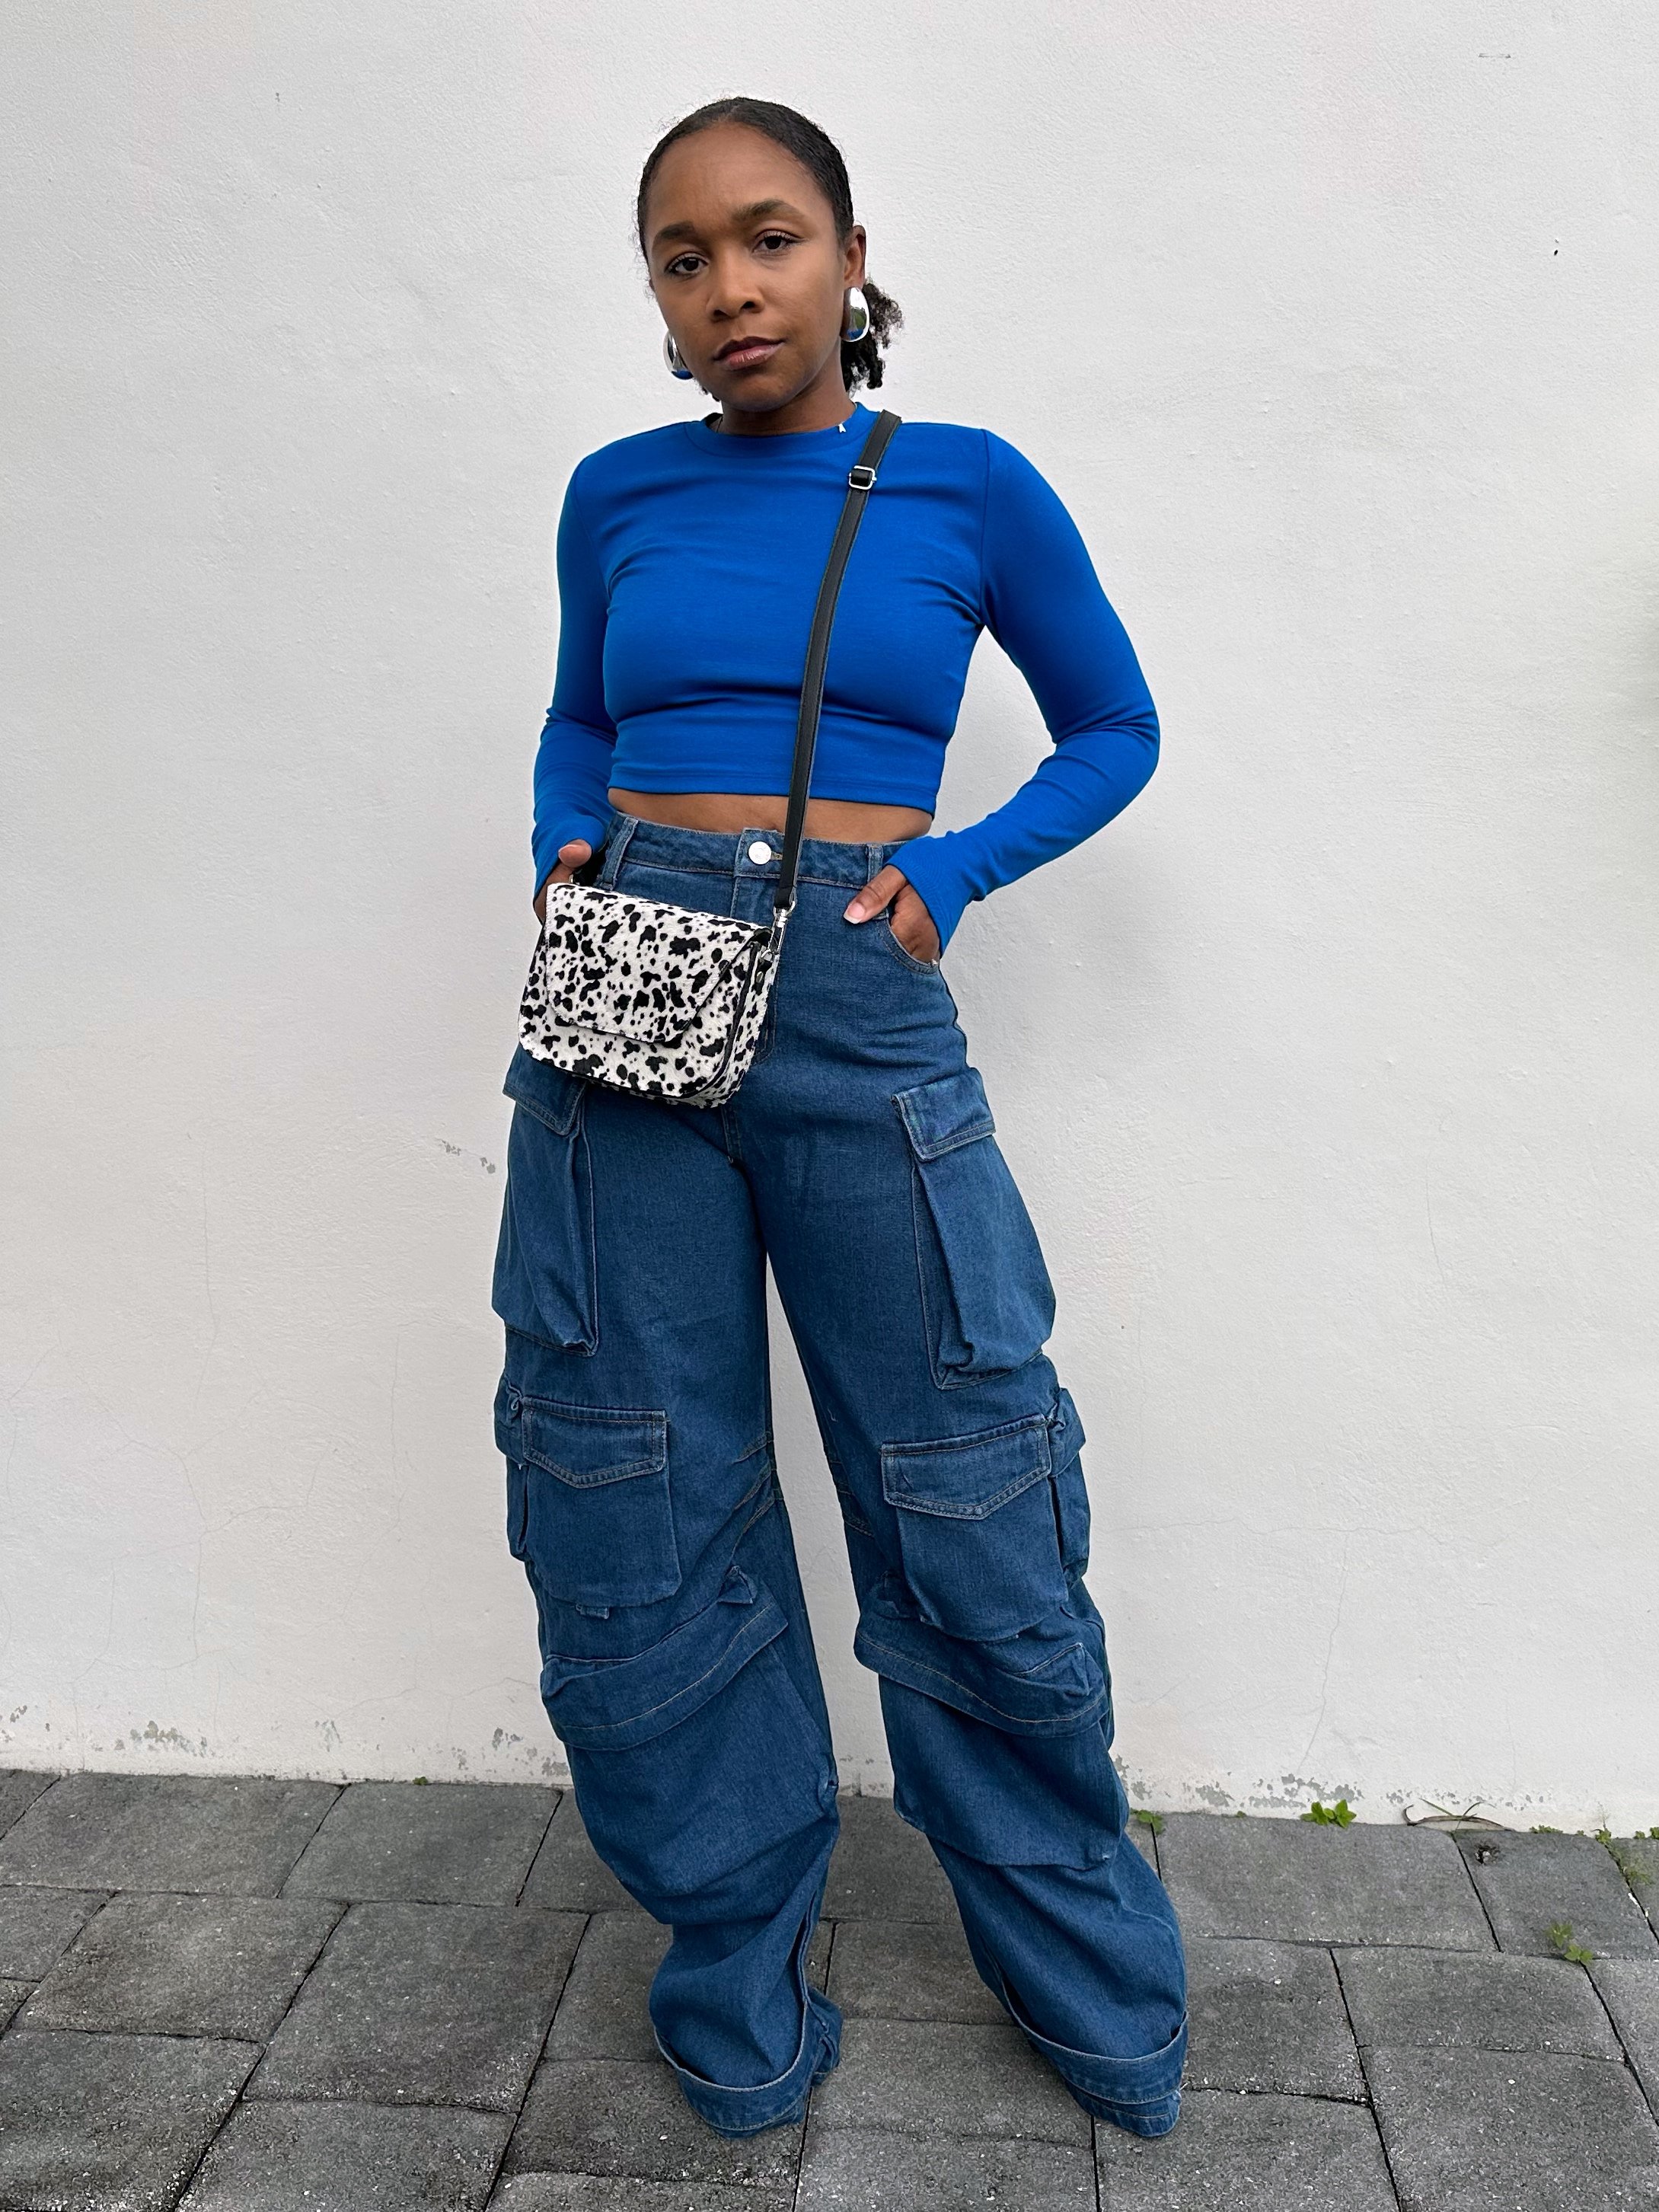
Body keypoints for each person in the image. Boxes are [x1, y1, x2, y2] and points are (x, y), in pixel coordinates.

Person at [492, 95, 1188, 2141]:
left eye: (766, 238)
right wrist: (558, 829)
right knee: (632, 1485)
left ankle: (1090, 1986)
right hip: (623, 986)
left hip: (858, 995)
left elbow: (1116, 725)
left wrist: (951, 872)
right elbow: (580, 711)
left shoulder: (964, 485)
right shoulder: (613, 492)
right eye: (682, 258)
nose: (728, 289)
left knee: (966, 1485)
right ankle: (729, 1969)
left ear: (851, 252)